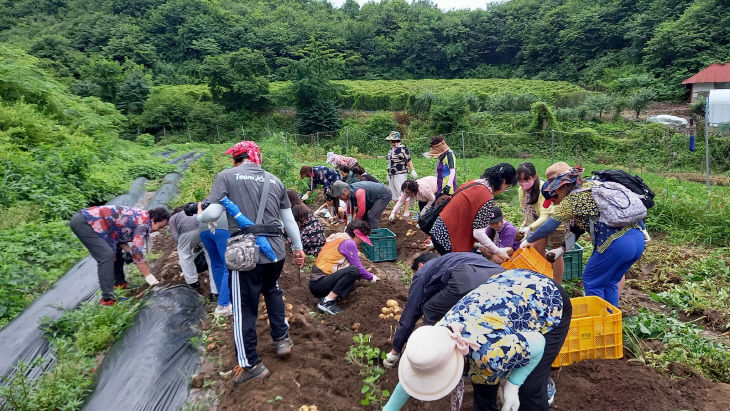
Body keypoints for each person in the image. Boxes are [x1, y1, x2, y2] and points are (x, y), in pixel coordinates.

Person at [383, 269, 572, 411]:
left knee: (529, 389)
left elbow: (538, 342)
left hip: (547, 300)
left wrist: (514, 384)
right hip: (506, 289)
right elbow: (414, 375)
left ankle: (542, 393)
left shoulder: (489, 354)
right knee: (483, 388)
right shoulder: (437, 337)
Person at [205, 140, 306, 385]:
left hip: (245, 253)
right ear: (256, 158)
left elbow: (211, 215)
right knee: (272, 290)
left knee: (244, 308)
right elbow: (289, 220)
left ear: (235, 159)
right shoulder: (275, 180)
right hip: (275, 252)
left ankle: (251, 364)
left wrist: (199, 209)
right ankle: (282, 340)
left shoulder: (226, 177)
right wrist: (299, 248)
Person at [524, 162, 646, 307]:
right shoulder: (591, 186)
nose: (555, 204)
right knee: (609, 282)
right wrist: (561, 249)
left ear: (560, 188)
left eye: (554, 199)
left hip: (616, 243)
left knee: (592, 280)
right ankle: (611, 320)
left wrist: (528, 240)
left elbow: (549, 225)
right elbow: (577, 230)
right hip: (637, 240)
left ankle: (599, 323)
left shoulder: (572, 200)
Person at [383, 252, 506, 369]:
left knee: (430, 308)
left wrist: (396, 350)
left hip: (468, 280)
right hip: (501, 278)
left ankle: (431, 355)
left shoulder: (423, 271)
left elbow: (411, 310)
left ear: (420, 265)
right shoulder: (452, 259)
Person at [70, 205, 169, 305]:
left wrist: (130, 251)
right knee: (106, 256)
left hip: (96, 223)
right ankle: (108, 299)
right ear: (153, 220)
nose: (159, 230)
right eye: (160, 226)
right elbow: (137, 254)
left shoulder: (143, 217)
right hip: (85, 222)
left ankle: (119, 285)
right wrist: (150, 278)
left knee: (117, 251)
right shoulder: (144, 225)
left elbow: (120, 239)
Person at [429, 163, 517, 257]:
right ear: (502, 181)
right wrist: (498, 251)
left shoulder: (474, 183)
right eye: (507, 187)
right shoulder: (487, 197)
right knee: (456, 266)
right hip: (449, 238)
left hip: (438, 229)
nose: (504, 190)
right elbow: (478, 233)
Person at [309, 220, 380, 315]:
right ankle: (327, 301)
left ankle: (331, 297)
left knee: (353, 270)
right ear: (356, 236)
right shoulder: (349, 243)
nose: (361, 242)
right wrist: (372, 277)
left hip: (317, 282)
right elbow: (358, 267)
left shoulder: (339, 237)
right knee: (354, 270)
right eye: (361, 239)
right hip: (319, 284)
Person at [516, 162, 566, 283]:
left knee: (555, 252)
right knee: (538, 251)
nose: (523, 183)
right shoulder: (521, 191)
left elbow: (545, 216)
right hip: (539, 223)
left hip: (556, 221)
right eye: (520, 180)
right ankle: (544, 277)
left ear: (534, 176)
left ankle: (557, 283)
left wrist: (530, 228)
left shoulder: (544, 189)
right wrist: (525, 226)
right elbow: (527, 213)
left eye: (526, 179)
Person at [196, 201, 233, 316]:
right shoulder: (225, 197)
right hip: (222, 226)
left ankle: (221, 303)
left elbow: (199, 215)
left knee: (216, 265)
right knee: (228, 265)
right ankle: (225, 303)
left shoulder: (207, 202)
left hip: (203, 228)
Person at [385, 131, 417, 204]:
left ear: (397, 140)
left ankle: (406, 211)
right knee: (393, 193)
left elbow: (408, 159)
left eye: (393, 141)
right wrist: (388, 172)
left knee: (402, 191)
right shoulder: (392, 149)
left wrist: (413, 170)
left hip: (400, 173)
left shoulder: (402, 148)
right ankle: (396, 211)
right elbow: (389, 161)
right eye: (390, 141)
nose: (391, 142)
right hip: (391, 174)